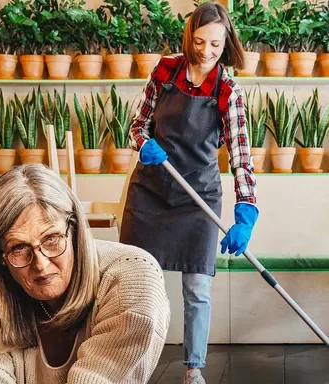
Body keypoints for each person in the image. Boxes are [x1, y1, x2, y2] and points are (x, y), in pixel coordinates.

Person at [120, 2, 258, 383]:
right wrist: (142, 143)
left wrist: (246, 210)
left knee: (197, 287)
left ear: (227, 41)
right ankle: (128, 362)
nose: (206, 51)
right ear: (189, 36)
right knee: (138, 283)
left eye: (215, 44)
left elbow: (241, 156)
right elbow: (137, 125)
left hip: (198, 195)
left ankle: (193, 371)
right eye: (199, 41)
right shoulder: (166, 70)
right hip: (150, 191)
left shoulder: (228, 90)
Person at [0, 164, 170, 383]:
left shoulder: (132, 277)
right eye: (18, 248)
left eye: (52, 239)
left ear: (75, 231)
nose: (40, 264)